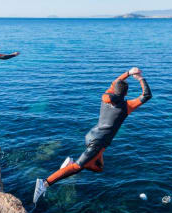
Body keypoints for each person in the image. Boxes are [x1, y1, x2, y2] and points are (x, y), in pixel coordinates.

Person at [33, 67, 152, 204]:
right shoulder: (127, 106)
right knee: (77, 168)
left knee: (99, 167)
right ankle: (44, 183)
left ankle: (70, 164)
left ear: (114, 90)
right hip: (98, 142)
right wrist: (140, 78)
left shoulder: (105, 97)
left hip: (91, 136)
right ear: (126, 94)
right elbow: (147, 95)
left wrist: (128, 73)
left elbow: (115, 82)